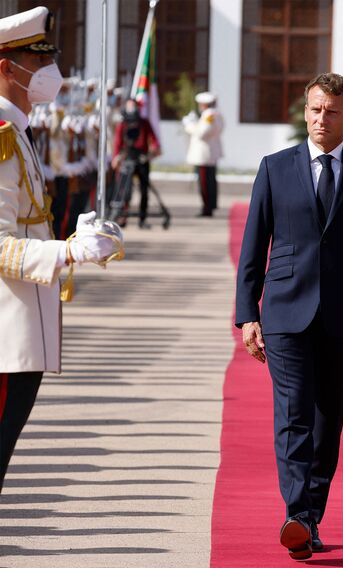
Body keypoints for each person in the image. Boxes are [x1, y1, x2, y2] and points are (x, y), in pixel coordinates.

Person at [235, 72, 343, 561]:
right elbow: (253, 244)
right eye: (313, 110)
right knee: (293, 415)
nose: (320, 119)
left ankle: (310, 515)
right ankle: (296, 513)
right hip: (285, 310)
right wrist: (248, 314)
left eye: (331, 112)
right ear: (303, 113)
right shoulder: (275, 167)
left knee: (328, 420)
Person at [0, 6, 122, 493]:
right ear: (7, 66)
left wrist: (73, 237)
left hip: (23, 330)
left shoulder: (18, 132)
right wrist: (68, 254)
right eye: (37, 59)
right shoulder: (2, 136)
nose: (50, 72)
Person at [112, 97, 160, 228]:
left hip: (141, 159)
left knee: (144, 190)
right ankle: (122, 217)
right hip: (127, 159)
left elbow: (154, 139)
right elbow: (117, 143)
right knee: (125, 190)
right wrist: (116, 158)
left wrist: (154, 149)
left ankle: (142, 219)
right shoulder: (122, 124)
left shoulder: (144, 123)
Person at [183, 91, 224, 217]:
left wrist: (189, 125)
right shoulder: (215, 114)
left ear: (204, 104)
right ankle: (210, 206)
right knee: (209, 181)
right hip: (209, 154)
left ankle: (207, 207)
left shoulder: (209, 115)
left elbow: (202, 132)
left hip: (204, 155)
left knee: (205, 183)